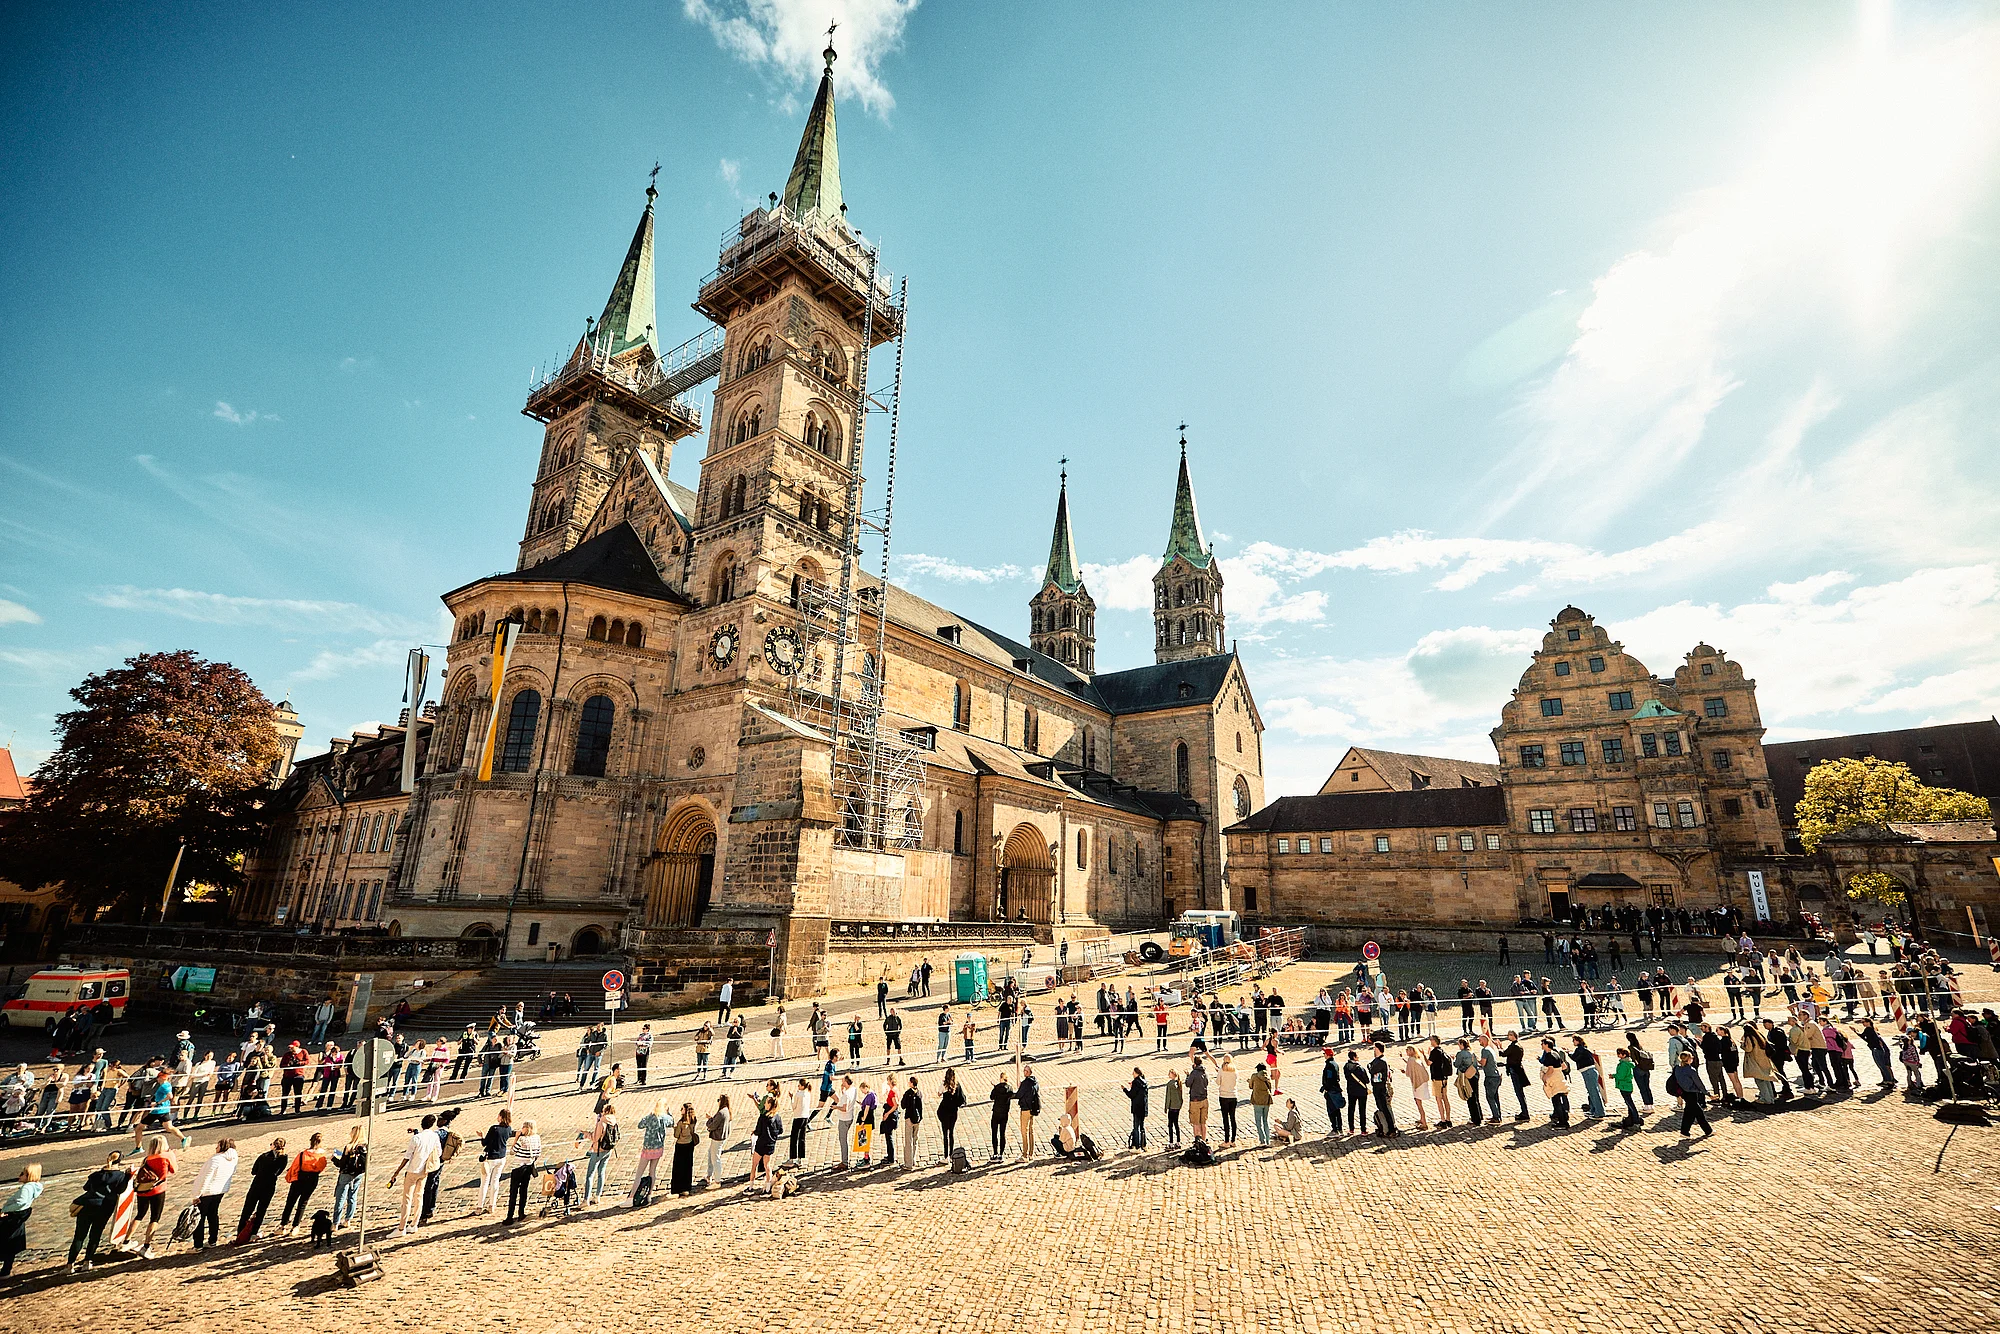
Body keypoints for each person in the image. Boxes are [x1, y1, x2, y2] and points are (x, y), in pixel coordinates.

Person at [69, 1151, 131, 1273]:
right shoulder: (120, 1176)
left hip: (87, 1206)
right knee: (95, 1235)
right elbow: (121, 1190)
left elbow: (86, 1188)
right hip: (105, 1208)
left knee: (79, 1236)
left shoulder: (95, 1175)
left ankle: (69, 1265)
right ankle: (87, 1261)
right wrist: (128, 1177)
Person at [125, 1134, 178, 1257]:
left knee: (139, 1215)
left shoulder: (147, 1159)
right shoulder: (167, 1156)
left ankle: (127, 1240)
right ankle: (146, 1246)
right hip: (158, 1190)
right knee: (155, 1217)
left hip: (143, 1190)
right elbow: (173, 1170)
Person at [392, 1114, 442, 1237]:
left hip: (413, 1170)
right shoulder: (434, 1136)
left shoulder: (416, 1138)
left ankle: (401, 1227)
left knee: (407, 1199)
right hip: (424, 1170)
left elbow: (407, 1156)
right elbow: (439, 1152)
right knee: (419, 1197)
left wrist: (397, 1172)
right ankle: (414, 1224)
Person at [276, 1132, 330, 1237]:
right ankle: (295, 1226)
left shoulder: (303, 1154)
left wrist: (290, 1177)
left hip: (299, 1179)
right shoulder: (321, 1156)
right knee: (302, 1203)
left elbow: (295, 1167)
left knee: (290, 1202)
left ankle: (283, 1225)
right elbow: (321, 1168)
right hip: (312, 1179)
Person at [235, 1137, 286, 1242]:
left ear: (273, 1145)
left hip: (256, 1185)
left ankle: (240, 1233)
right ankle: (254, 1233)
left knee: (247, 1209)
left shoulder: (263, 1156)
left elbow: (253, 1171)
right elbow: (278, 1172)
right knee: (261, 1210)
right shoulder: (283, 1158)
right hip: (269, 1186)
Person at [0, 1164, 41, 1276]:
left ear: (29, 1176)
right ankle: (6, 1269)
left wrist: (5, 1210)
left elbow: (21, 1203)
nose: (19, 1175)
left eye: (22, 1174)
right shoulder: (34, 1187)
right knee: (10, 1245)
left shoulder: (27, 1188)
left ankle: (5, 1270)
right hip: (17, 1217)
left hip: (11, 1216)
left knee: (6, 1243)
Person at [475, 1111, 514, 1215]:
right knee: (495, 1181)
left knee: (484, 1183)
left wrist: (482, 1136)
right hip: (501, 1157)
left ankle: (479, 1206)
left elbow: (485, 1143)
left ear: (501, 1117)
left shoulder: (494, 1129)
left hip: (491, 1158)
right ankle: (492, 1205)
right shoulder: (508, 1129)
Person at [580, 1104, 618, 1206]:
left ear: (604, 1111)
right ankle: (598, 1196)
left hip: (598, 1150)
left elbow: (595, 1137)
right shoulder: (614, 1121)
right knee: (601, 1172)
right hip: (608, 1149)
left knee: (590, 1175)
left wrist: (586, 1134)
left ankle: (586, 1200)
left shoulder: (602, 1122)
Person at [1669, 1051, 1714, 1137]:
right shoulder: (1691, 1070)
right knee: (1698, 1113)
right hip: (1691, 1093)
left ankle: (1684, 1131)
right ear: (1689, 1059)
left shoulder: (1677, 1068)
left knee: (1689, 1112)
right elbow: (1699, 1083)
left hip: (1683, 1093)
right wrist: (1707, 1094)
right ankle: (1708, 1131)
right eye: (1691, 1058)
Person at [504, 1119, 542, 1223]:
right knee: (524, 1190)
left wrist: (516, 1138)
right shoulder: (537, 1138)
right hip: (529, 1166)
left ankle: (510, 1216)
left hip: (518, 1168)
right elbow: (538, 1153)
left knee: (514, 1192)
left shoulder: (522, 1140)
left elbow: (512, 1151)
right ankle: (521, 1213)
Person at [1367, 1043, 1398, 1137]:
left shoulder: (1381, 1061)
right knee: (1381, 1108)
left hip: (1381, 1088)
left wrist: (1370, 1068)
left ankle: (1391, 1128)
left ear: (1377, 1049)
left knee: (1384, 1108)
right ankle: (1386, 1127)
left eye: (1374, 1048)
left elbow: (1371, 1069)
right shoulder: (1377, 1060)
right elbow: (1370, 1065)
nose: (1373, 1050)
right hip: (1376, 1087)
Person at [1538, 1039, 1571, 1128]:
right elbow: (1564, 1066)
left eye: (1542, 1043)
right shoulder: (1555, 1053)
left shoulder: (1549, 1055)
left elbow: (1551, 1069)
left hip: (1554, 1081)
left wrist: (1544, 1077)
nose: (1541, 1045)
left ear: (1546, 1045)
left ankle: (1562, 1122)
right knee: (1560, 1100)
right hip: (1560, 1079)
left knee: (1557, 1102)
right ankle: (1564, 1119)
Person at [937, 1068, 965, 1161]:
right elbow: (962, 1098)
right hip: (953, 1112)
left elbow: (939, 1093)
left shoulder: (944, 1084)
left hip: (945, 1112)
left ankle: (946, 1156)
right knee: (951, 1133)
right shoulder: (957, 1085)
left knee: (945, 1134)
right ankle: (951, 1154)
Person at [1015, 1065, 1042, 1162]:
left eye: (1026, 1071)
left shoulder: (1025, 1083)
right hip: (1033, 1109)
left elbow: (1018, 1095)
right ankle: (1031, 1153)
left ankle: (1025, 1155)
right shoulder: (1035, 1082)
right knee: (1031, 1131)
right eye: (1024, 1070)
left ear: (1030, 1072)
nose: (1024, 1072)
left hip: (1026, 1109)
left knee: (1024, 1131)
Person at [703, 1096, 731, 1188]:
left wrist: (709, 1120)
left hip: (717, 1138)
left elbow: (712, 1125)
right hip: (721, 1137)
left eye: (718, 1100)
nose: (717, 1102)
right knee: (710, 1154)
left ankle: (717, 1181)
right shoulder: (726, 1111)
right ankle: (709, 1175)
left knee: (715, 1159)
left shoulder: (721, 1113)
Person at [988, 1070, 1014, 1161]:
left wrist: (995, 1087)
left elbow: (991, 1097)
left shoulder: (997, 1088)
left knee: (994, 1133)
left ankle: (995, 1153)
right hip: (1004, 1113)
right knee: (1002, 1133)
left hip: (996, 1113)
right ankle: (1001, 1154)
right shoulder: (1010, 1088)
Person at [1612, 1048, 1642, 1128]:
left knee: (1630, 1104)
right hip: (1627, 1086)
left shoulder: (1624, 1064)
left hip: (1624, 1086)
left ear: (1624, 1055)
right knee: (1629, 1104)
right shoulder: (1627, 1063)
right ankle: (1631, 1119)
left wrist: (1614, 1076)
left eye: (1619, 1053)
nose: (1618, 1055)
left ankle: (1636, 1121)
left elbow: (1621, 1076)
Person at [1186, 1054, 1211, 1144]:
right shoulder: (1204, 1072)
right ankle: (1204, 1140)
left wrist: (1188, 1076)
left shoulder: (1194, 1073)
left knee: (1196, 1122)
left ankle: (1198, 1141)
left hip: (1195, 1100)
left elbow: (1188, 1084)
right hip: (1204, 1099)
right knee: (1203, 1122)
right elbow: (1207, 1083)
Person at [900, 1075, 924, 1167]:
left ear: (911, 1083)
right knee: (915, 1139)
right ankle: (913, 1159)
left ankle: (908, 1164)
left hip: (909, 1118)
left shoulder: (908, 1093)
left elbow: (903, 1105)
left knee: (908, 1141)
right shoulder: (919, 1093)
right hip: (917, 1119)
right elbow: (921, 1106)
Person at [1124, 1067, 1151, 1148]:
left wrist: (1125, 1089)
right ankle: (1144, 1144)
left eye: (1133, 1073)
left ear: (1136, 1073)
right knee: (1142, 1126)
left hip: (1137, 1107)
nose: (1132, 1074)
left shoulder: (1135, 1082)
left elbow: (1131, 1095)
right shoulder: (1144, 1082)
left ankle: (1137, 1146)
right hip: (1143, 1107)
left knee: (1136, 1127)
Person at [1248, 1062, 1274, 1145]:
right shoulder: (1267, 1077)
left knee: (1258, 1122)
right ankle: (1268, 1140)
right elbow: (1270, 1087)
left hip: (1257, 1100)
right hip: (1266, 1100)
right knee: (1266, 1121)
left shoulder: (1254, 1076)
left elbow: (1250, 1086)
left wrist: (1249, 1081)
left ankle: (1262, 1140)